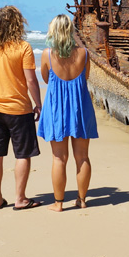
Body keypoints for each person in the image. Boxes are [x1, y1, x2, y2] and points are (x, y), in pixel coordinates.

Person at [0, 6, 43, 211]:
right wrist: (38, 104)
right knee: (22, 155)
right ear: (18, 23)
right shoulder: (23, 47)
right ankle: (20, 198)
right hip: (19, 109)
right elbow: (31, 80)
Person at [37, 14, 98, 212]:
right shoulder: (84, 53)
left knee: (58, 158)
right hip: (80, 108)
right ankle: (82, 200)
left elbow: (46, 79)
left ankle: (59, 203)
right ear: (70, 31)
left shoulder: (47, 54)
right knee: (82, 157)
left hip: (56, 110)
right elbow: (85, 77)